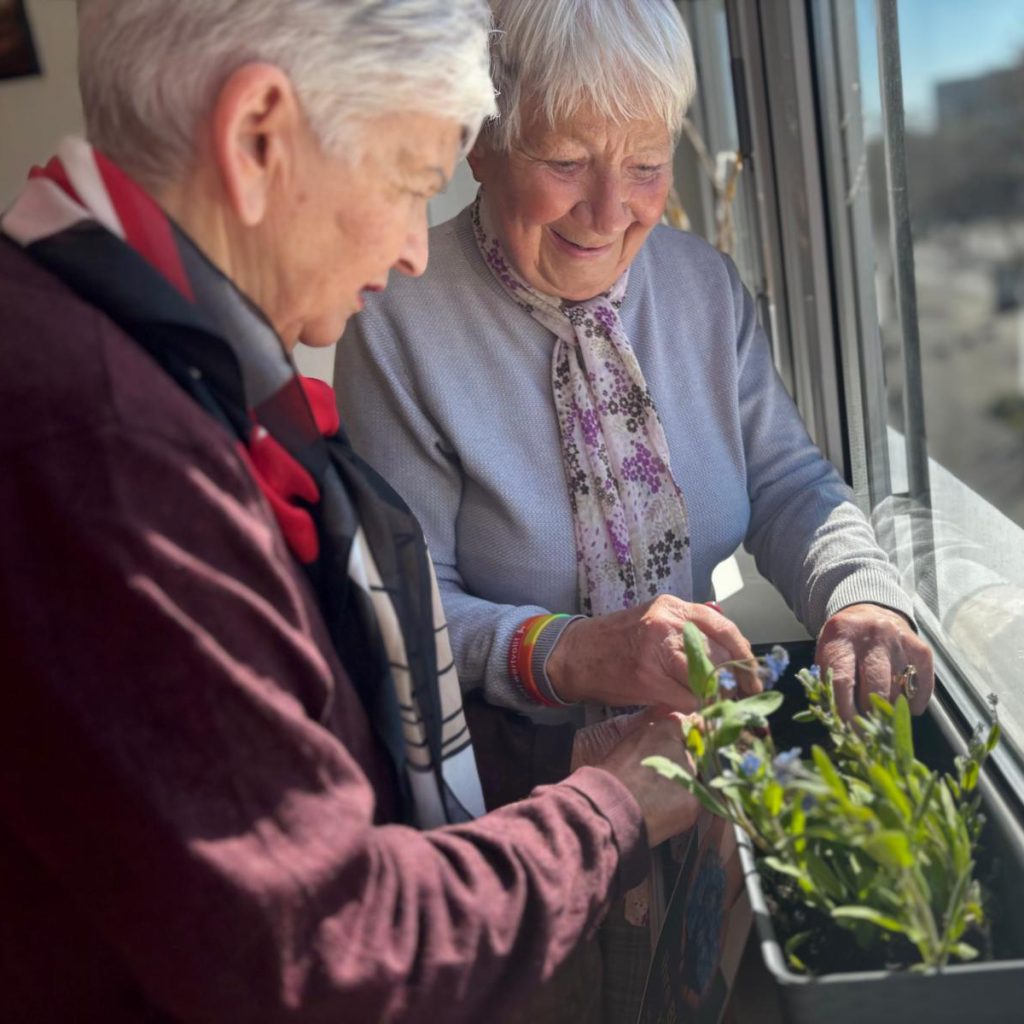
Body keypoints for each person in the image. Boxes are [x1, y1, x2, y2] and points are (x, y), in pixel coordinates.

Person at [0, 1, 704, 1021]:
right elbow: (321, 950)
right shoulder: (101, 449)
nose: (417, 249)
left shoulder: (91, 345)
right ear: (258, 140)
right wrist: (613, 809)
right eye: (413, 180)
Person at [335, 0, 935, 1018]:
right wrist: (575, 651)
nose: (610, 209)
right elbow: (409, 609)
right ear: (482, 143)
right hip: (518, 797)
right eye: (566, 159)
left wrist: (860, 595)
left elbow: (790, 481)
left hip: (704, 757)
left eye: (647, 162)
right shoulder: (396, 321)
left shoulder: (701, 287)